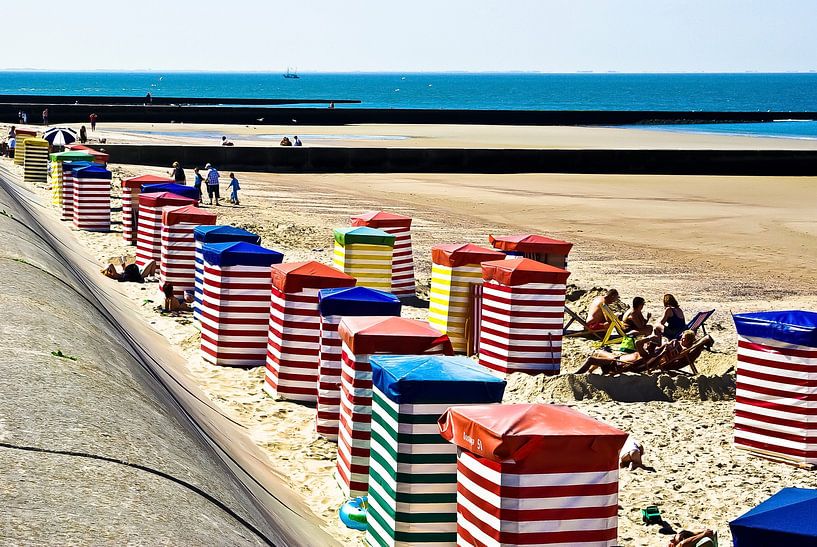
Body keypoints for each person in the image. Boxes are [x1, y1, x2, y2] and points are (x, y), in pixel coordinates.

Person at [577, 329, 710, 375]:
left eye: (684, 339)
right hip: (620, 360)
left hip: (617, 364)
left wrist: (647, 338)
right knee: (599, 352)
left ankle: (578, 374)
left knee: (593, 357)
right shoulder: (654, 355)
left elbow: (638, 343)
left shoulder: (647, 354)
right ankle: (590, 373)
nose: (681, 339)